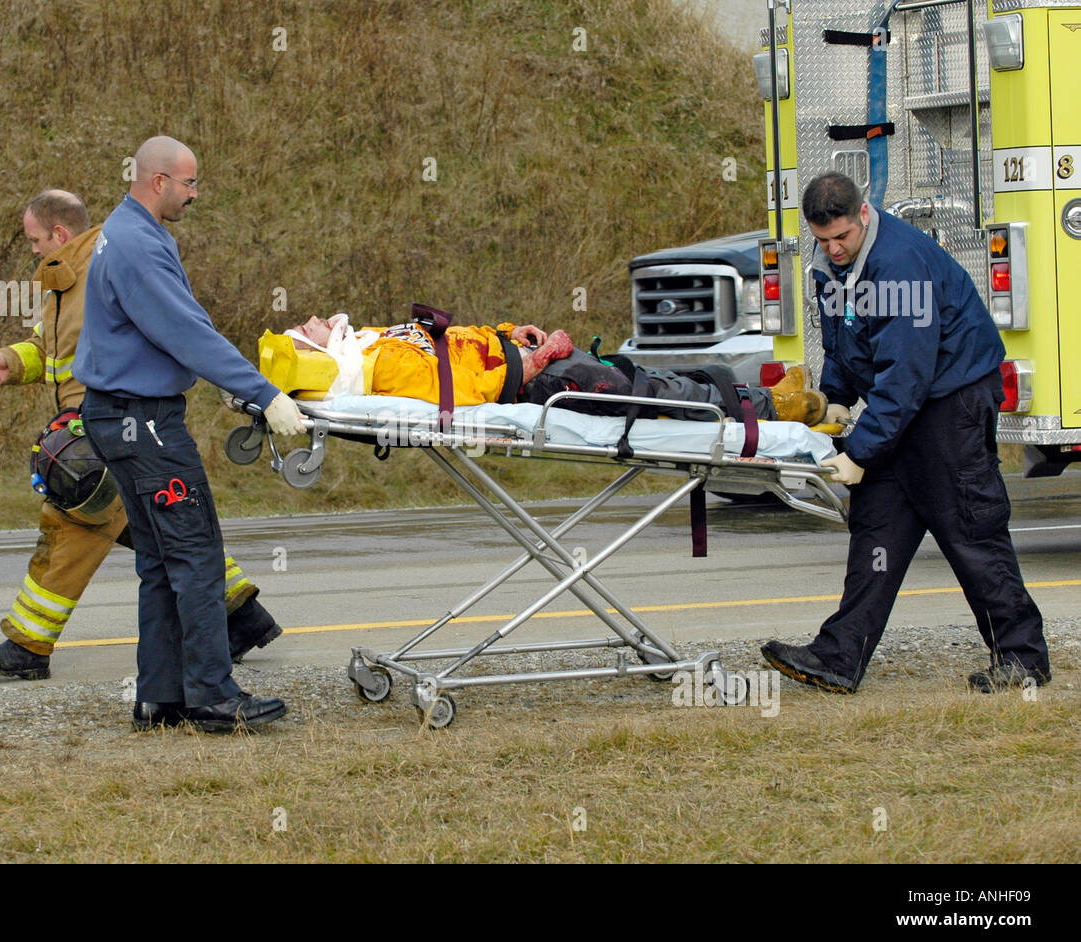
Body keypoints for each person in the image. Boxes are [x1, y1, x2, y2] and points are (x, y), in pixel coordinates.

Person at [0, 191, 282, 682]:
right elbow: (49, 350)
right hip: (99, 427)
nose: (32, 249)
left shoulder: (103, 268)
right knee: (161, 526)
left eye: (35, 239)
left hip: (105, 428)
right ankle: (240, 615)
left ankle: (28, 645)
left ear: (60, 234)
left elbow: (168, 335)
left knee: (72, 528)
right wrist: (11, 361)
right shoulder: (63, 282)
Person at [760, 172, 1049, 694]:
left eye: (842, 236)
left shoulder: (899, 264)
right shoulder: (832, 265)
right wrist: (837, 398)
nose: (833, 248)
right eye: (822, 239)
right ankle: (839, 656)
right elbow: (843, 338)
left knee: (969, 528)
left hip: (951, 399)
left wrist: (860, 452)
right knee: (878, 528)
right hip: (907, 402)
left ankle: (1022, 657)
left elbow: (906, 373)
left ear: (863, 214)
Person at [76, 136, 306, 732]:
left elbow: (179, 327)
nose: (196, 194)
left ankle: (161, 697)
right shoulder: (136, 246)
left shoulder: (134, 232)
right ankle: (211, 695)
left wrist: (230, 381)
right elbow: (186, 331)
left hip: (122, 417)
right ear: (158, 181)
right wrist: (265, 393)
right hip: (144, 424)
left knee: (160, 562)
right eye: (190, 183)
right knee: (197, 556)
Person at [286, 314, 828, 424]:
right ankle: (775, 410)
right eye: (303, 331)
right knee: (648, 394)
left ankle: (755, 397)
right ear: (318, 357)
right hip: (536, 383)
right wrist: (535, 361)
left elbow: (457, 343)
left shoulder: (372, 341)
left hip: (528, 361)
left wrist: (508, 331)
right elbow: (463, 392)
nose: (309, 319)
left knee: (644, 379)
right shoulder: (381, 368)